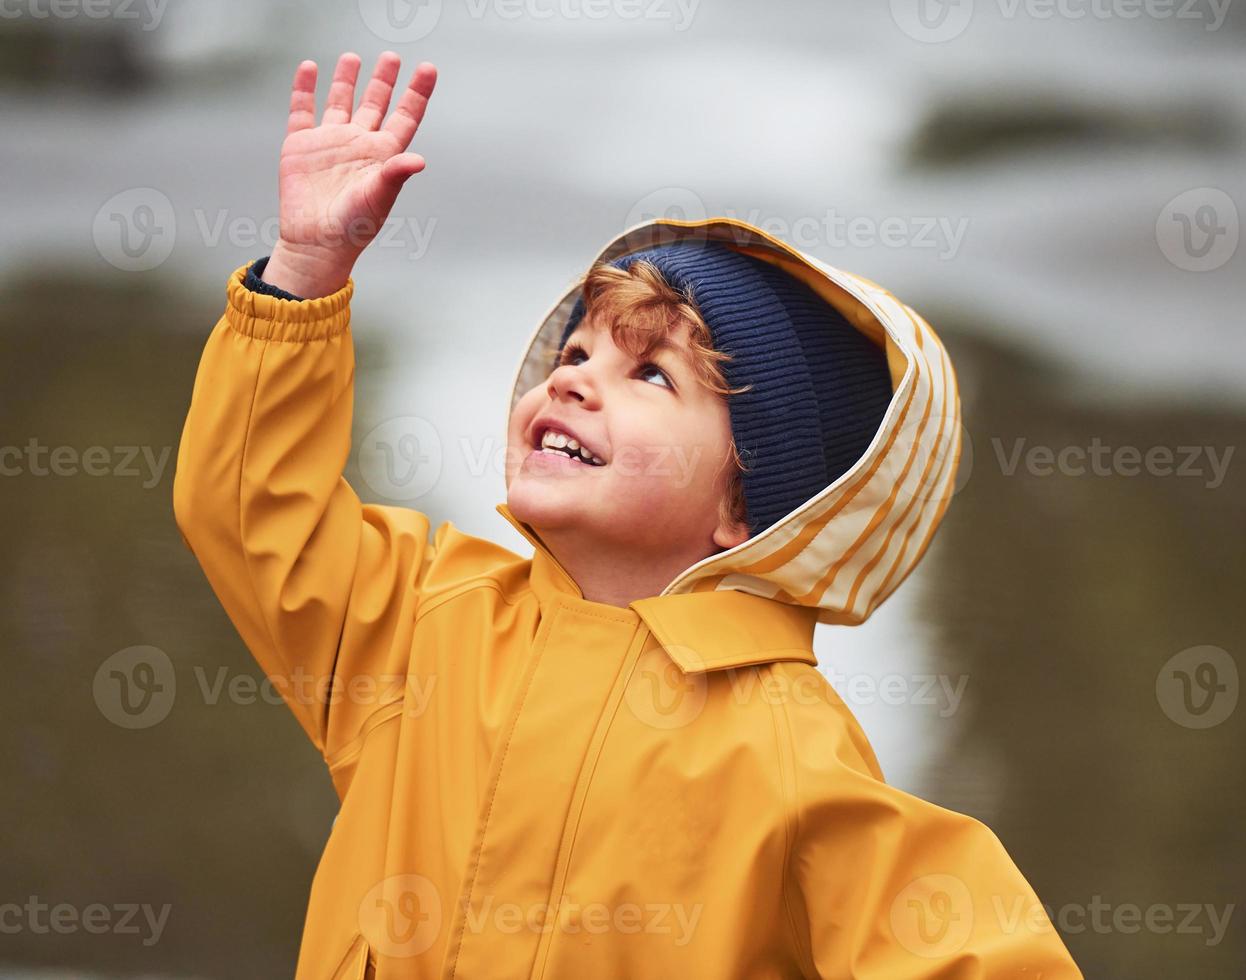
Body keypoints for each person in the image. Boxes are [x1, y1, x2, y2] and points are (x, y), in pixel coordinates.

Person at [173, 50, 1084, 980]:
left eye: (649, 373)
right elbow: (250, 509)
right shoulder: (420, 625)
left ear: (747, 505)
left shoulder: (786, 749)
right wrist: (303, 273)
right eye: (575, 350)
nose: (574, 377)